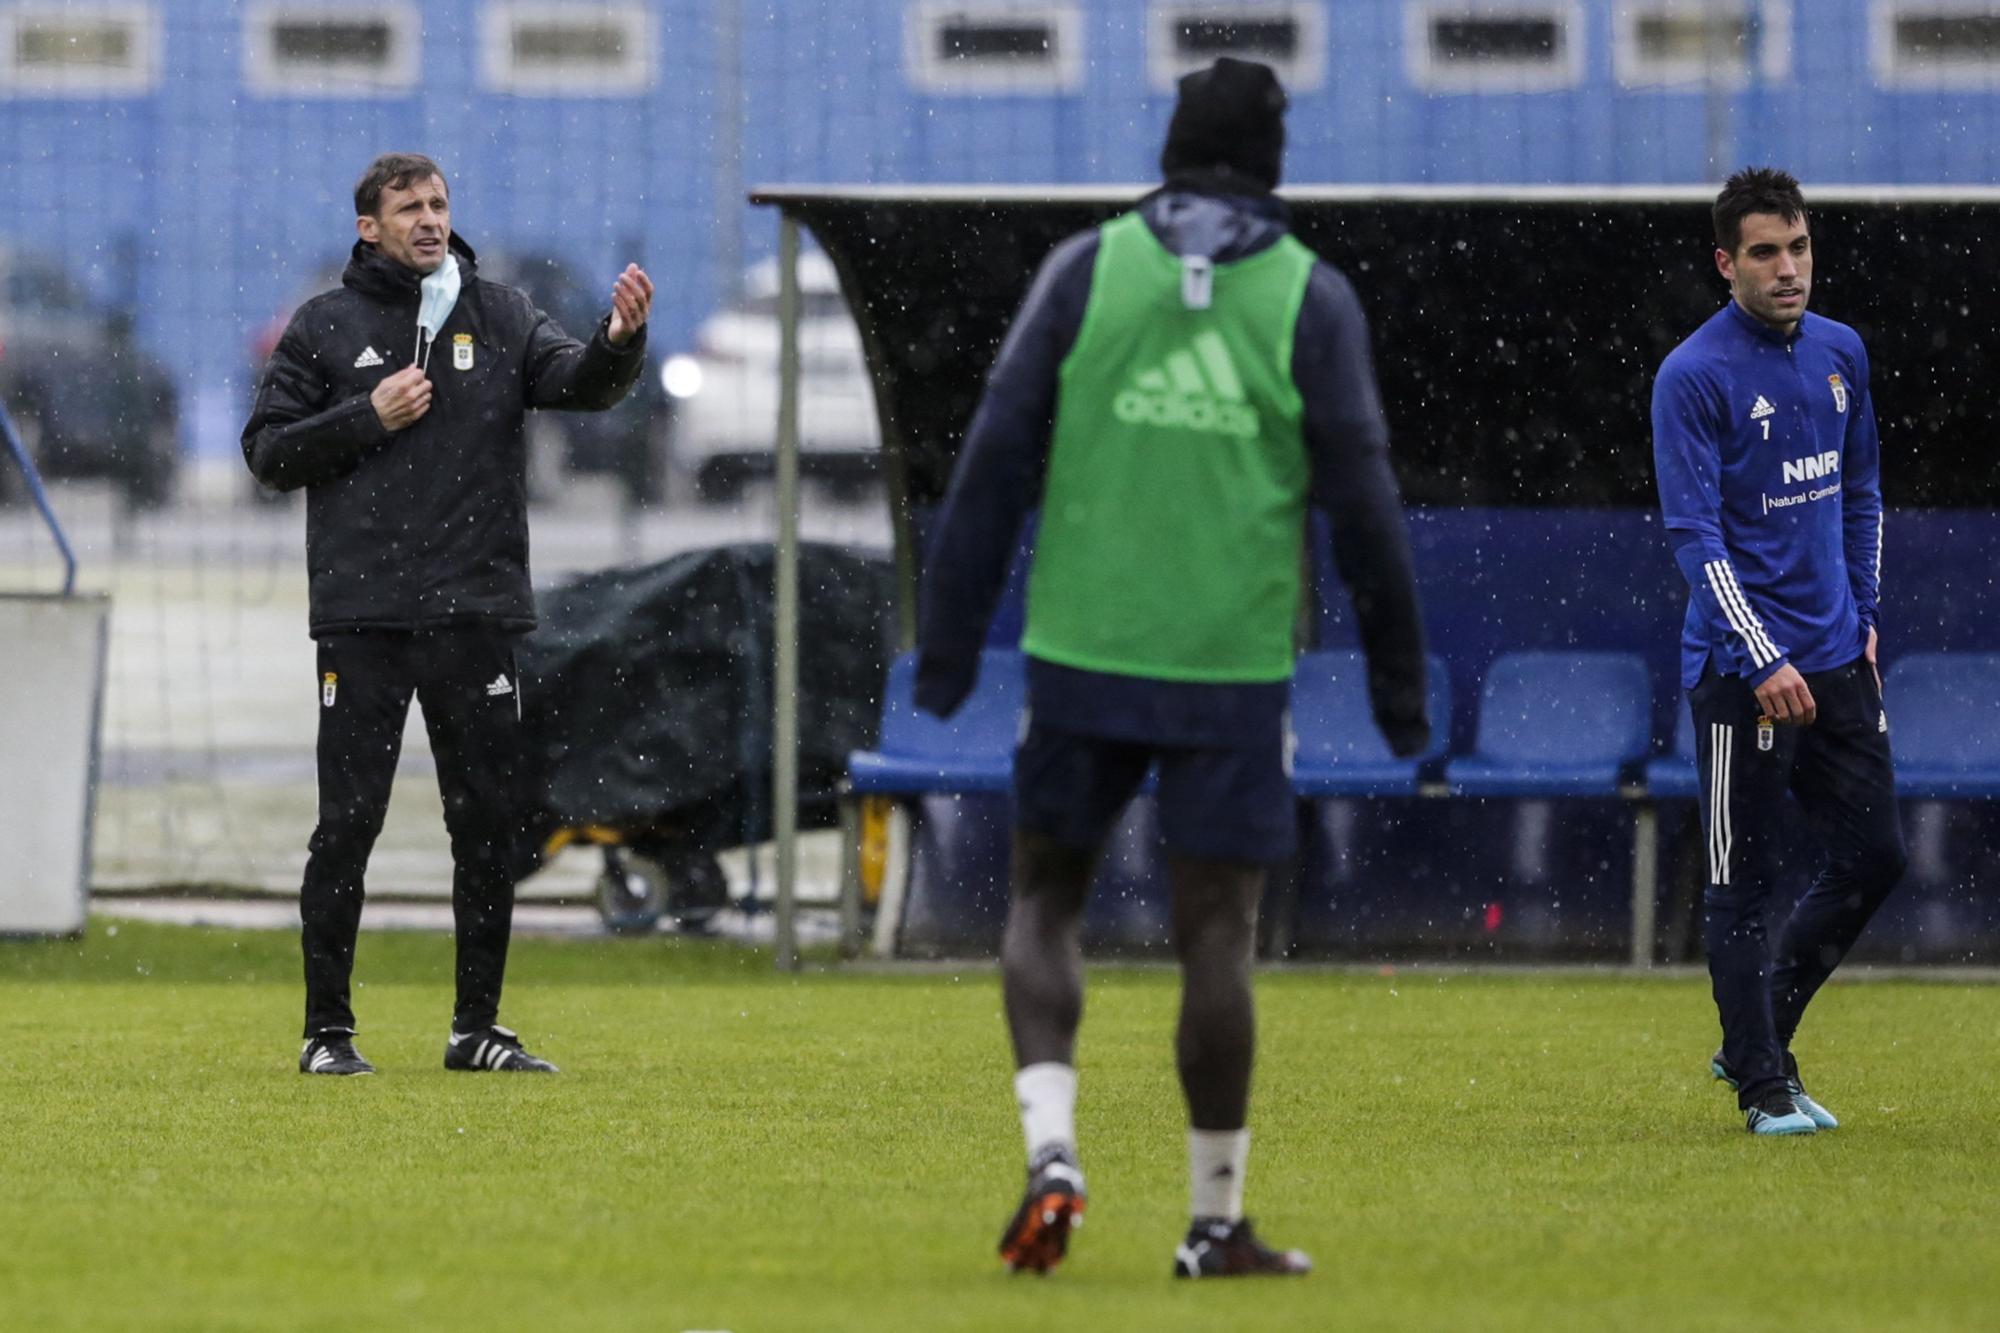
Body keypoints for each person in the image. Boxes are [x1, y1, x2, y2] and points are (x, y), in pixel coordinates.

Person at [916, 59, 1428, 1277]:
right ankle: (1212, 1220)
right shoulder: (1310, 297)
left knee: (1044, 898)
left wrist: (945, 644)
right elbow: (1363, 498)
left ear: (1168, 148)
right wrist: (1397, 683)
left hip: (1083, 650)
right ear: (1273, 160)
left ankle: (1052, 1144)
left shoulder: (1085, 270)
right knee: (1216, 935)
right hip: (1226, 664)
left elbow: (991, 459)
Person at [243, 153, 654, 1077]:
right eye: (408, 207)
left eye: (439, 203)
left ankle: (477, 1028)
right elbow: (267, 455)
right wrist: (366, 414)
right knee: (349, 823)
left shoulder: (500, 314)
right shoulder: (324, 326)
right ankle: (327, 1033)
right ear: (369, 227)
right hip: (366, 618)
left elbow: (580, 383)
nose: (429, 219)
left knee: (486, 824)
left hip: (475, 614)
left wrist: (620, 340)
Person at [1652, 167, 1906, 1136]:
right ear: (1725, 264)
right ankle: (1761, 1088)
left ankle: (1752, 1032)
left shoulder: (1840, 351)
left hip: (1840, 657)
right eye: (1762, 252)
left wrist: (1865, 610)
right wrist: (1759, 657)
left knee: (1873, 855)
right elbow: (1693, 536)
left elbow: (1858, 492)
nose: (1785, 268)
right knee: (1740, 883)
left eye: (1796, 247)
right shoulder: (1693, 375)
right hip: (1738, 676)